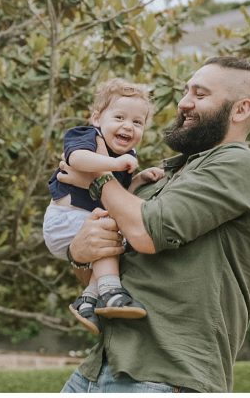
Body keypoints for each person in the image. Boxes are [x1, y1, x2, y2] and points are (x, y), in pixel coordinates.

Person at [57, 55, 250, 394]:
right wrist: (80, 253)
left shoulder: (238, 164)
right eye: (186, 91)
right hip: (98, 368)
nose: (183, 102)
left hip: (167, 376)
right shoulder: (164, 176)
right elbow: (108, 267)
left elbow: (146, 232)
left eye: (200, 95)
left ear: (240, 109)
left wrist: (96, 173)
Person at [43, 79, 165, 334]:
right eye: (119, 117)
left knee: (118, 226)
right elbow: (76, 159)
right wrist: (115, 164)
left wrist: (139, 178)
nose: (127, 126)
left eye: (137, 122)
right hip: (66, 219)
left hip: (85, 223)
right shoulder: (86, 135)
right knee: (111, 228)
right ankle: (111, 291)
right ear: (97, 118)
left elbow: (117, 196)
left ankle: (87, 300)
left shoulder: (128, 156)